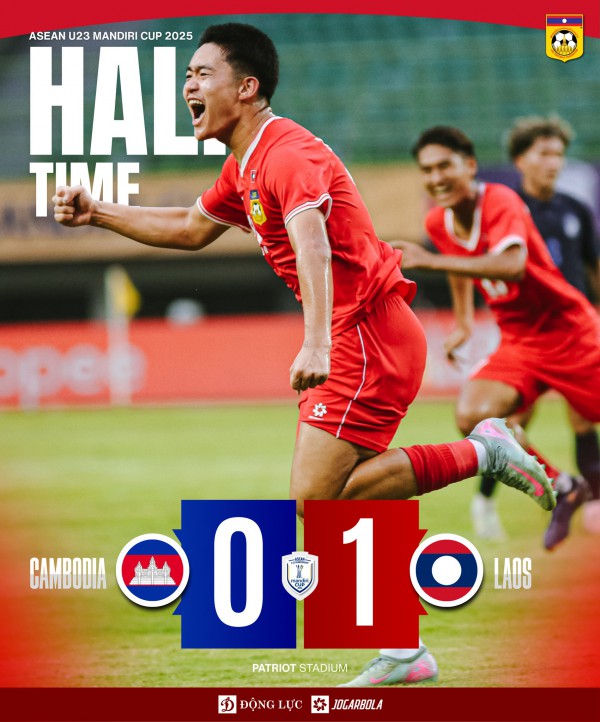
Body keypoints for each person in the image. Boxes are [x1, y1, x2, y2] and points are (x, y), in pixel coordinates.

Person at [53, 25, 554, 687]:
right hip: (361, 334)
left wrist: (317, 340)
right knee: (345, 496)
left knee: (317, 497)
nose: (188, 87)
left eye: (202, 74)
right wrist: (99, 213)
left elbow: (312, 243)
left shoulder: (285, 155)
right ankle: (403, 647)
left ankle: (484, 451)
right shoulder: (245, 163)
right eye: (187, 76)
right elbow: (191, 228)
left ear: (247, 87)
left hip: (363, 334)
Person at [394, 125, 600, 552]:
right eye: (427, 170)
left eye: (445, 166)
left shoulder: (501, 201)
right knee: (473, 416)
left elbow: (512, 265)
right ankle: (564, 487)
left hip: (570, 332)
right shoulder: (438, 220)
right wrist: (464, 322)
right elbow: (458, 264)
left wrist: (428, 260)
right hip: (520, 341)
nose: (436, 177)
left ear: (470, 165)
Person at [470, 116, 600, 541]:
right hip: (529, 338)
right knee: (506, 422)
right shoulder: (505, 211)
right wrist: (463, 319)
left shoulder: (575, 209)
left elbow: (593, 268)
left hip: (575, 334)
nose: (553, 162)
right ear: (520, 160)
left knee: (583, 418)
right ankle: (485, 502)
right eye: (543, 153)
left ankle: (592, 505)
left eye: (558, 154)